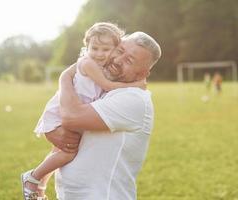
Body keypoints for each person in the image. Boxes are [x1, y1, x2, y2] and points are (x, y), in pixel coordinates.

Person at [21, 22, 145, 200]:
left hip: (74, 110)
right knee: (68, 151)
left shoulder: (102, 65)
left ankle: (39, 182)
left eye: (105, 49)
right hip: (63, 111)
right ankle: (32, 178)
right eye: (94, 48)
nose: (99, 54)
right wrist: (136, 85)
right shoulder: (88, 63)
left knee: (61, 149)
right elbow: (107, 85)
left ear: (116, 48)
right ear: (87, 46)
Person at [45, 31, 161, 200]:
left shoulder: (134, 98)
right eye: (120, 51)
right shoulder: (102, 89)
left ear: (142, 74)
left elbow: (70, 117)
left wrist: (64, 79)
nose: (118, 60)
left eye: (129, 60)